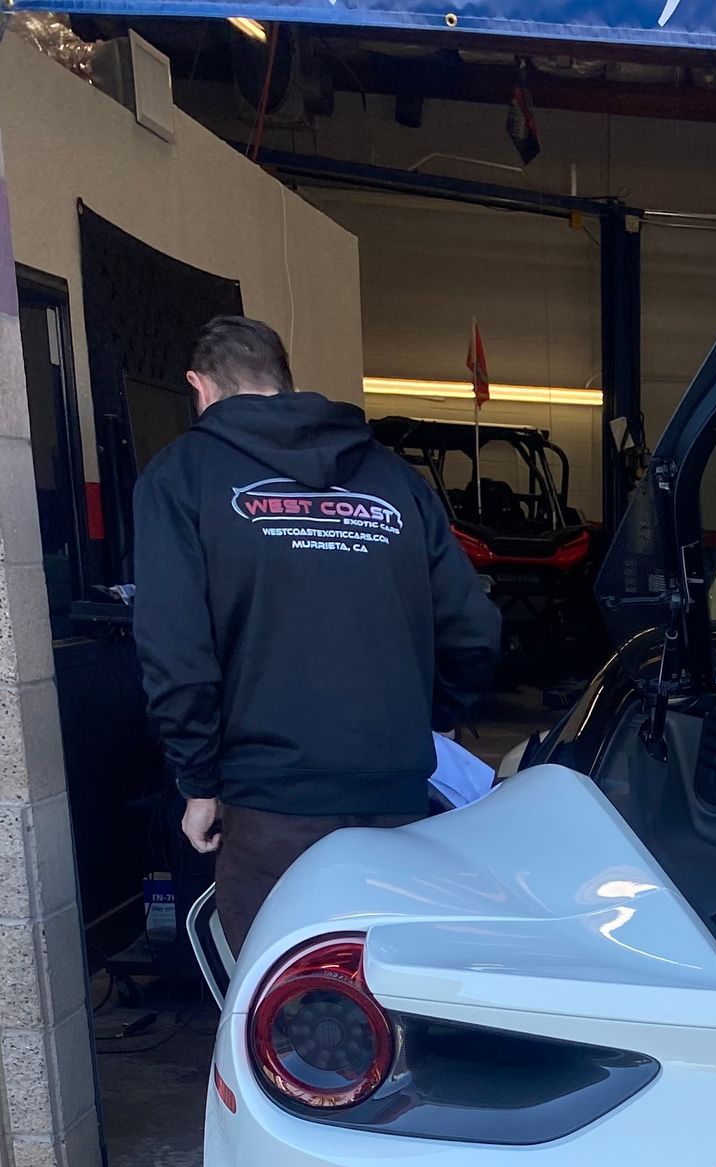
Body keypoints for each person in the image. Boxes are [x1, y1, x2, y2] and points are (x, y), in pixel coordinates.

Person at [132, 315, 501, 951]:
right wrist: (422, 722)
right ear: (286, 381)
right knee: (400, 988)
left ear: (200, 387)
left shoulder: (179, 476)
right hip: (396, 796)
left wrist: (198, 783)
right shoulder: (392, 479)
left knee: (292, 1009)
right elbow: (472, 629)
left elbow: (177, 652)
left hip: (269, 807)